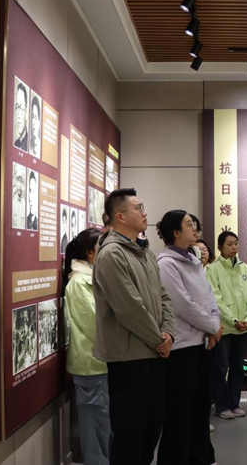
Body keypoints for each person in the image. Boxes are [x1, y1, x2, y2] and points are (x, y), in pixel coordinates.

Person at [93, 188, 175, 465]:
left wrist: (169, 333)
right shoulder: (111, 254)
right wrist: (159, 340)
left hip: (154, 352)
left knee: (152, 427)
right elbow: (129, 308)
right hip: (129, 357)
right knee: (130, 432)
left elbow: (164, 297)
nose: (144, 213)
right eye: (138, 208)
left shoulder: (144, 251)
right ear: (120, 216)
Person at [155, 210, 222, 465]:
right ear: (175, 232)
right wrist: (213, 326)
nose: (195, 228)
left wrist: (214, 324)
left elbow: (208, 295)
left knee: (200, 406)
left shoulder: (193, 259)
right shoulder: (166, 264)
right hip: (181, 347)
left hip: (201, 343)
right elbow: (182, 305)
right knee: (179, 411)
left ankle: (201, 456)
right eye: (189, 225)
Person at [63, 228, 110, 465]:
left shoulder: (91, 278)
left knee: (103, 420)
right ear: (91, 253)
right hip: (91, 362)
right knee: (95, 422)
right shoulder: (79, 283)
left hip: (100, 360)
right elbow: (94, 322)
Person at [206, 231, 247, 420]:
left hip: (243, 328)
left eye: (236, 243)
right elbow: (215, 299)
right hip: (225, 328)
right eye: (229, 244)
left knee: (238, 367)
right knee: (221, 367)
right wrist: (233, 321)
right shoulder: (213, 269)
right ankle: (221, 406)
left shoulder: (244, 268)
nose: (234, 247)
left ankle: (234, 403)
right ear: (220, 247)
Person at [14, 82, 29, 151]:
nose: (18, 116)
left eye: (21, 108)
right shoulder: (16, 143)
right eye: (17, 107)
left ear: (26, 112)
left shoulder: (28, 145)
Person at [29, 94, 42, 158]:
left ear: (39, 121)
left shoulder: (41, 147)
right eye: (32, 117)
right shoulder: (29, 144)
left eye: (36, 118)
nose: (34, 122)